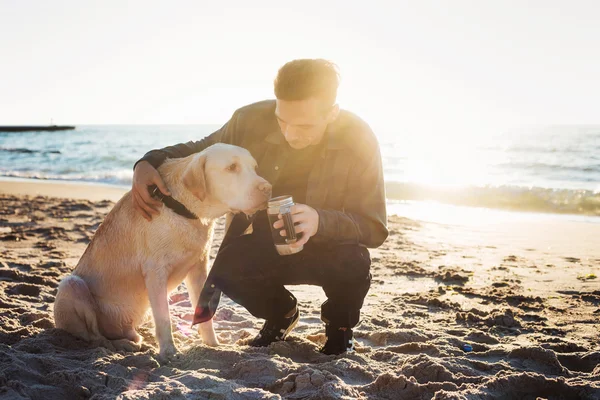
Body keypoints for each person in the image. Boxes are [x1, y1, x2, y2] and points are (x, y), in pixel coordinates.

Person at [131, 59, 388, 355]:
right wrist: (147, 161)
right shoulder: (250, 119)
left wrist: (320, 220)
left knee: (355, 261)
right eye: (283, 121)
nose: (290, 134)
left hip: (332, 247)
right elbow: (201, 150)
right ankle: (281, 314)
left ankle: (340, 331)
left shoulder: (359, 138)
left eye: (304, 126)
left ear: (332, 114)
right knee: (229, 266)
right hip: (268, 240)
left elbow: (374, 227)